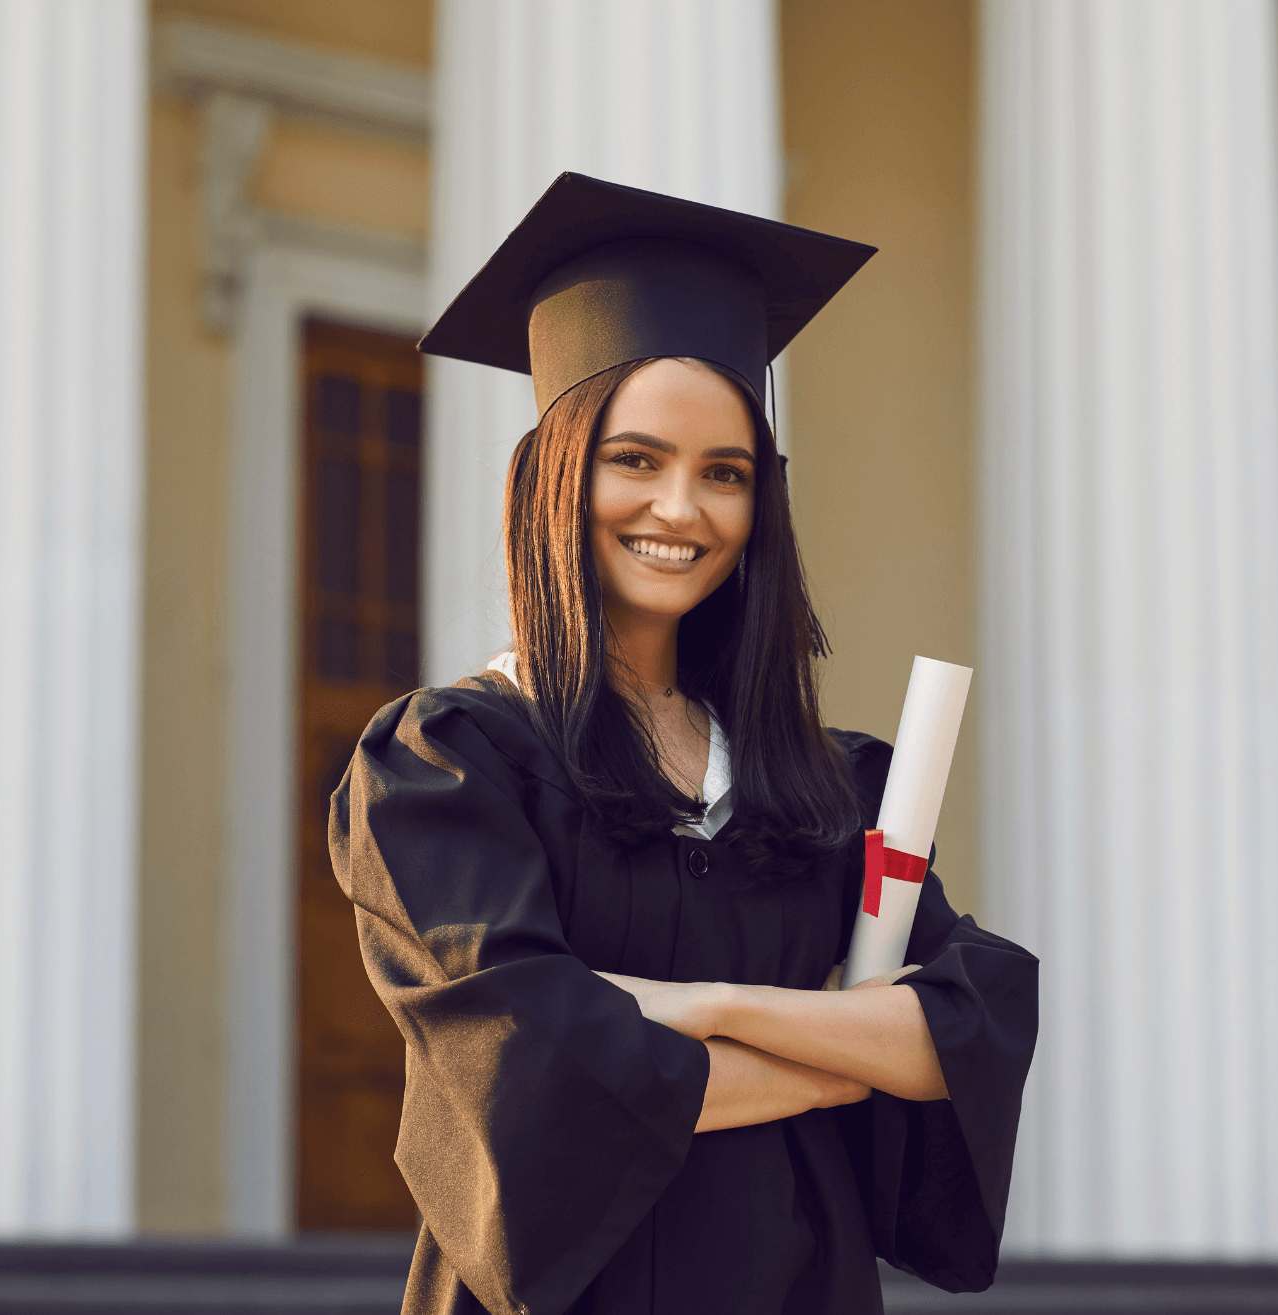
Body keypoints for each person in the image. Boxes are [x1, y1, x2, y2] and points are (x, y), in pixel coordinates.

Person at [329, 174, 1039, 1315]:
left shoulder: (827, 785)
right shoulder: (447, 766)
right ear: (556, 478)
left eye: (725, 474)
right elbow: (531, 1065)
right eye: (636, 460)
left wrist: (699, 1006)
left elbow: (964, 1026)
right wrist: (834, 1055)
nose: (681, 508)